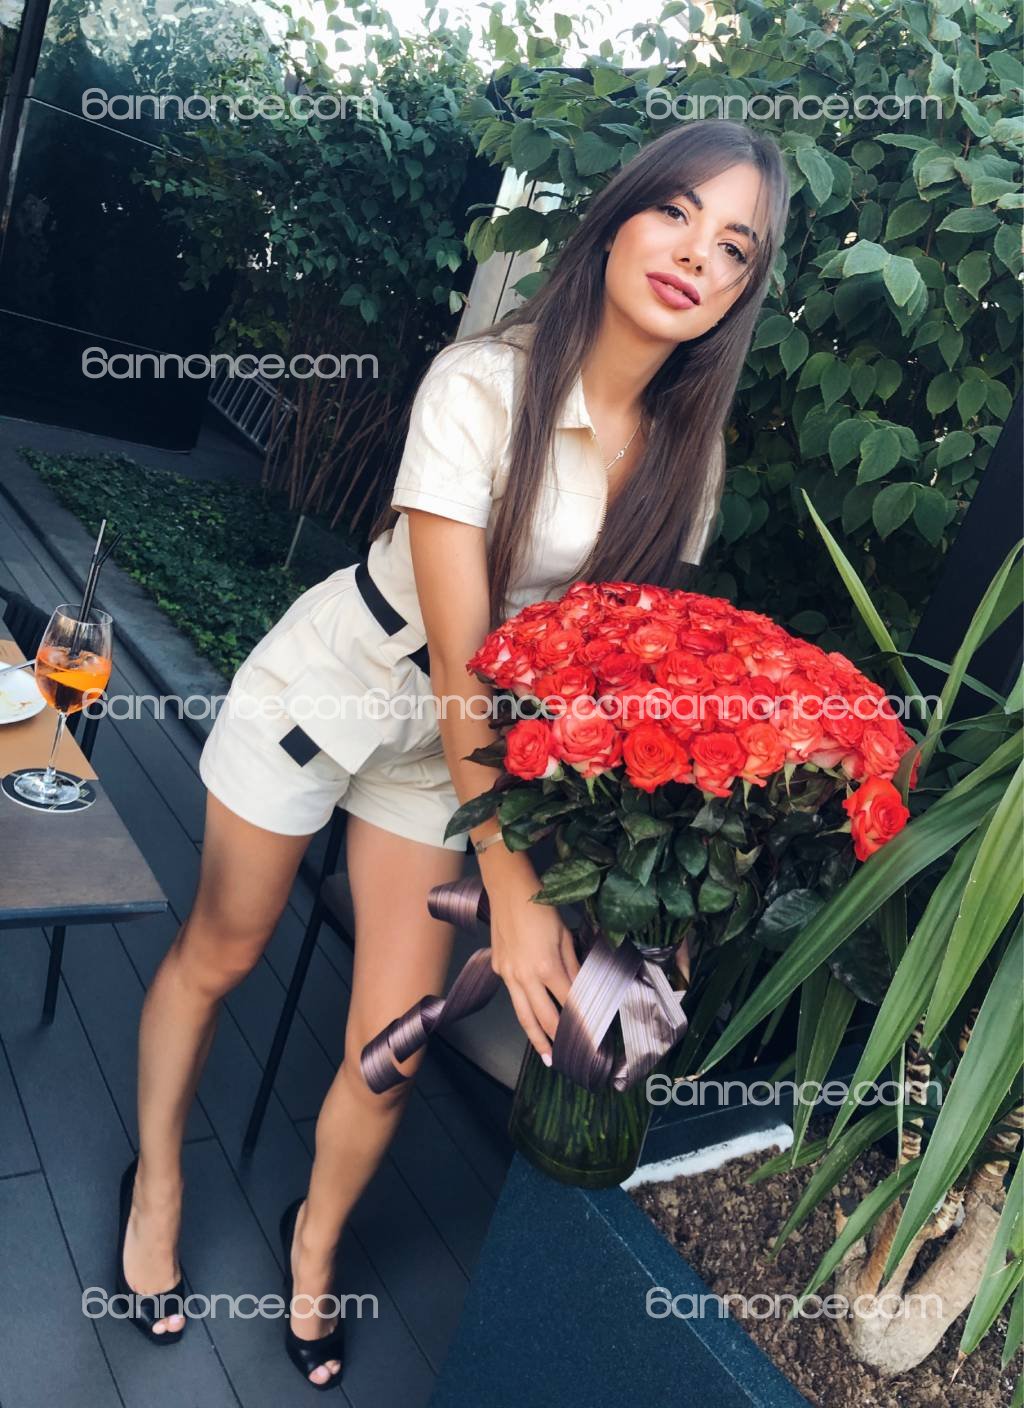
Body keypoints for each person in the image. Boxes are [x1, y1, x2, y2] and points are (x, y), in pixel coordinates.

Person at [114, 116, 790, 1388]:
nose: (697, 254)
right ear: (616, 220)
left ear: (737, 296)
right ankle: (155, 1186)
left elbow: (605, 670)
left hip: (447, 768)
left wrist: (627, 873)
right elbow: (461, 655)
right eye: (676, 212)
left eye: (734, 247)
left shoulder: (686, 460)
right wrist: (515, 888)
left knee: (398, 1040)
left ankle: (313, 1246)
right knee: (225, 950)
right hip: (341, 688)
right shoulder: (481, 383)